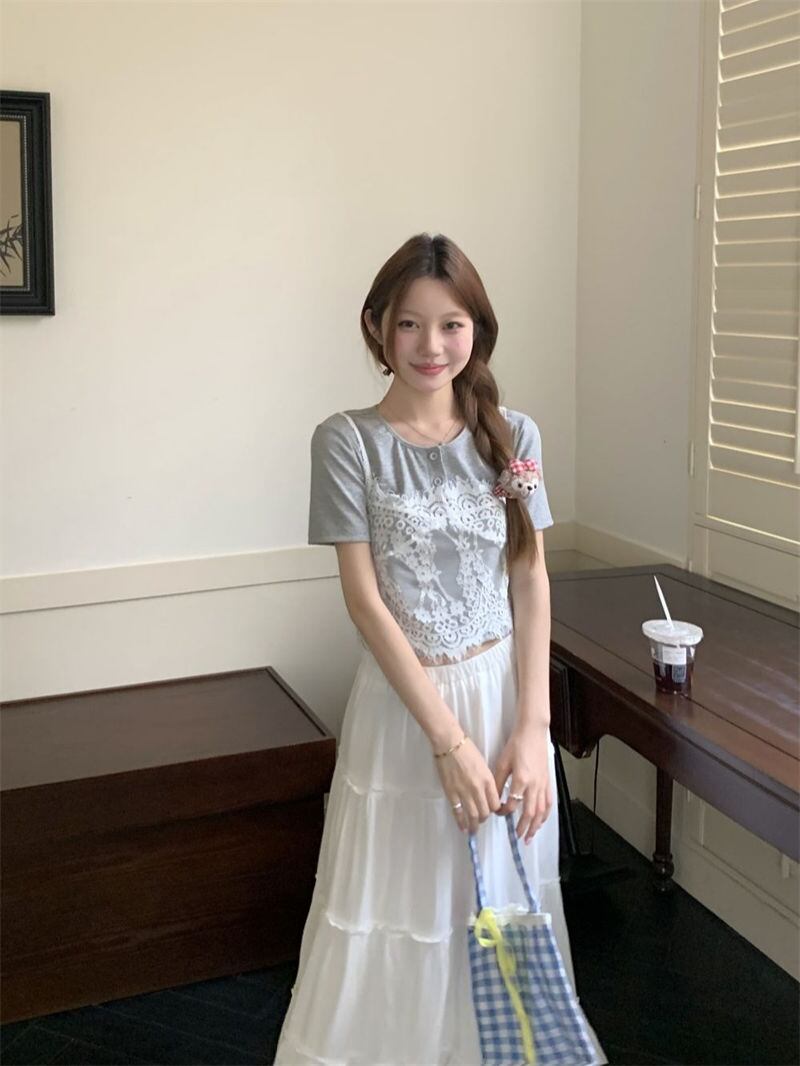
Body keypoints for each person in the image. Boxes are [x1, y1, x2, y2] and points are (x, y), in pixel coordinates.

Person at [273, 233, 607, 1066]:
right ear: (377, 327)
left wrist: (532, 730)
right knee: (402, 903)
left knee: (507, 901)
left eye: (451, 324)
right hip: (407, 710)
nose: (431, 346)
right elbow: (365, 602)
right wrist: (448, 743)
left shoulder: (513, 432)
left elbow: (529, 578)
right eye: (410, 324)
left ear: (476, 331)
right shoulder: (346, 440)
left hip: (505, 700)